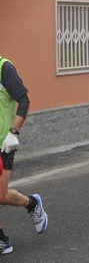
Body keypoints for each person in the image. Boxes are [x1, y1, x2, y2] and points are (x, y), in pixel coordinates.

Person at [0, 56, 48, 255]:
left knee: (0, 196)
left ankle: (33, 204)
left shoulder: (4, 67)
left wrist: (13, 133)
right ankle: (2, 241)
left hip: (3, 143)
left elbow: (24, 99)